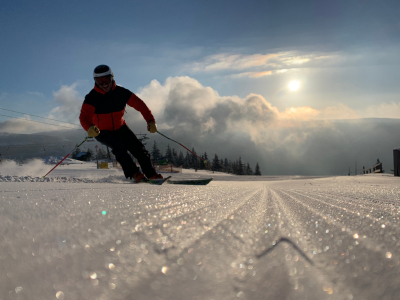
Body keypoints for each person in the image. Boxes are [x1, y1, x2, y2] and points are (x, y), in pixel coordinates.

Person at [79, 64, 163, 182]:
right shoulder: (91, 97)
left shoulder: (122, 93)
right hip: (100, 131)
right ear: (95, 81)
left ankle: (151, 175)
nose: (103, 84)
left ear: (111, 77)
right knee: (119, 147)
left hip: (120, 127)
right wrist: (89, 128)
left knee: (139, 149)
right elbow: (84, 116)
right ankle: (134, 174)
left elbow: (140, 105)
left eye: (106, 80)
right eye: (99, 81)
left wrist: (150, 121)